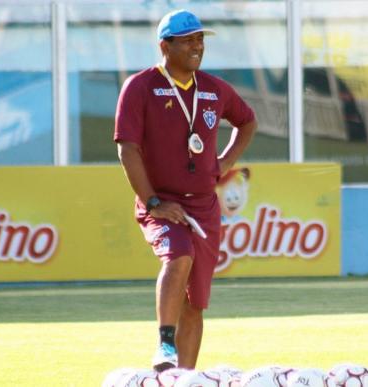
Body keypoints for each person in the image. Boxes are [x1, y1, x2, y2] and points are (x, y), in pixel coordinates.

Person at [113, 9, 257, 371]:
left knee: (196, 302)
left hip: (205, 206)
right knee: (178, 256)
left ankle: (184, 379)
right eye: (188, 40)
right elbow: (127, 149)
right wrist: (153, 202)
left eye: (200, 39)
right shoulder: (140, 86)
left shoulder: (213, 88)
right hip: (162, 200)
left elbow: (247, 121)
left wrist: (223, 162)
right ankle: (164, 345)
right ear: (165, 45)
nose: (197, 46)